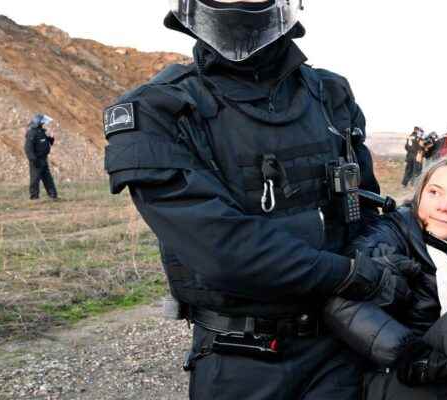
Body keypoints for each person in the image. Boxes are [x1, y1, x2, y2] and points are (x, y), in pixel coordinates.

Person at [102, 1, 417, 398]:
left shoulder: (331, 94)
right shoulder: (158, 110)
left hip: (339, 345)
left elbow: (365, 210)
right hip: (238, 357)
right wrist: (352, 275)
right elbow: (223, 249)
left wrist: (392, 257)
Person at [323, 155, 447, 399]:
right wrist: (411, 354)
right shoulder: (391, 236)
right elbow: (340, 302)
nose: (443, 206)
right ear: (419, 195)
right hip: (397, 375)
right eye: (434, 192)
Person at [24, 113, 58, 200]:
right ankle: (34, 197)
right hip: (36, 160)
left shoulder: (41, 132)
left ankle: (53, 195)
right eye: (42, 123)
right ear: (38, 123)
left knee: (48, 178)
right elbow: (28, 148)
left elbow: (46, 142)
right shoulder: (32, 133)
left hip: (43, 159)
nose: (43, 124)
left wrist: (51, 139)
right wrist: (33, 159)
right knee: (35, 179)